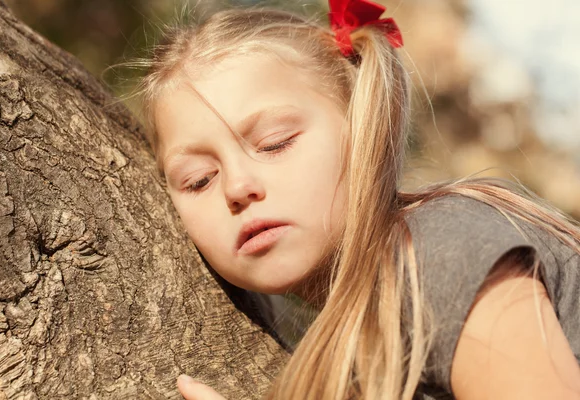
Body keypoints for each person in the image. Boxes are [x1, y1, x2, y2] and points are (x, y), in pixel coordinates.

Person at [135, 0, 580, 398]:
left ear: (361, 123)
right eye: (198, 180)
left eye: (274, 143)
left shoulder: (438, 251)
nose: (236, 188)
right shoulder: (349, 326)